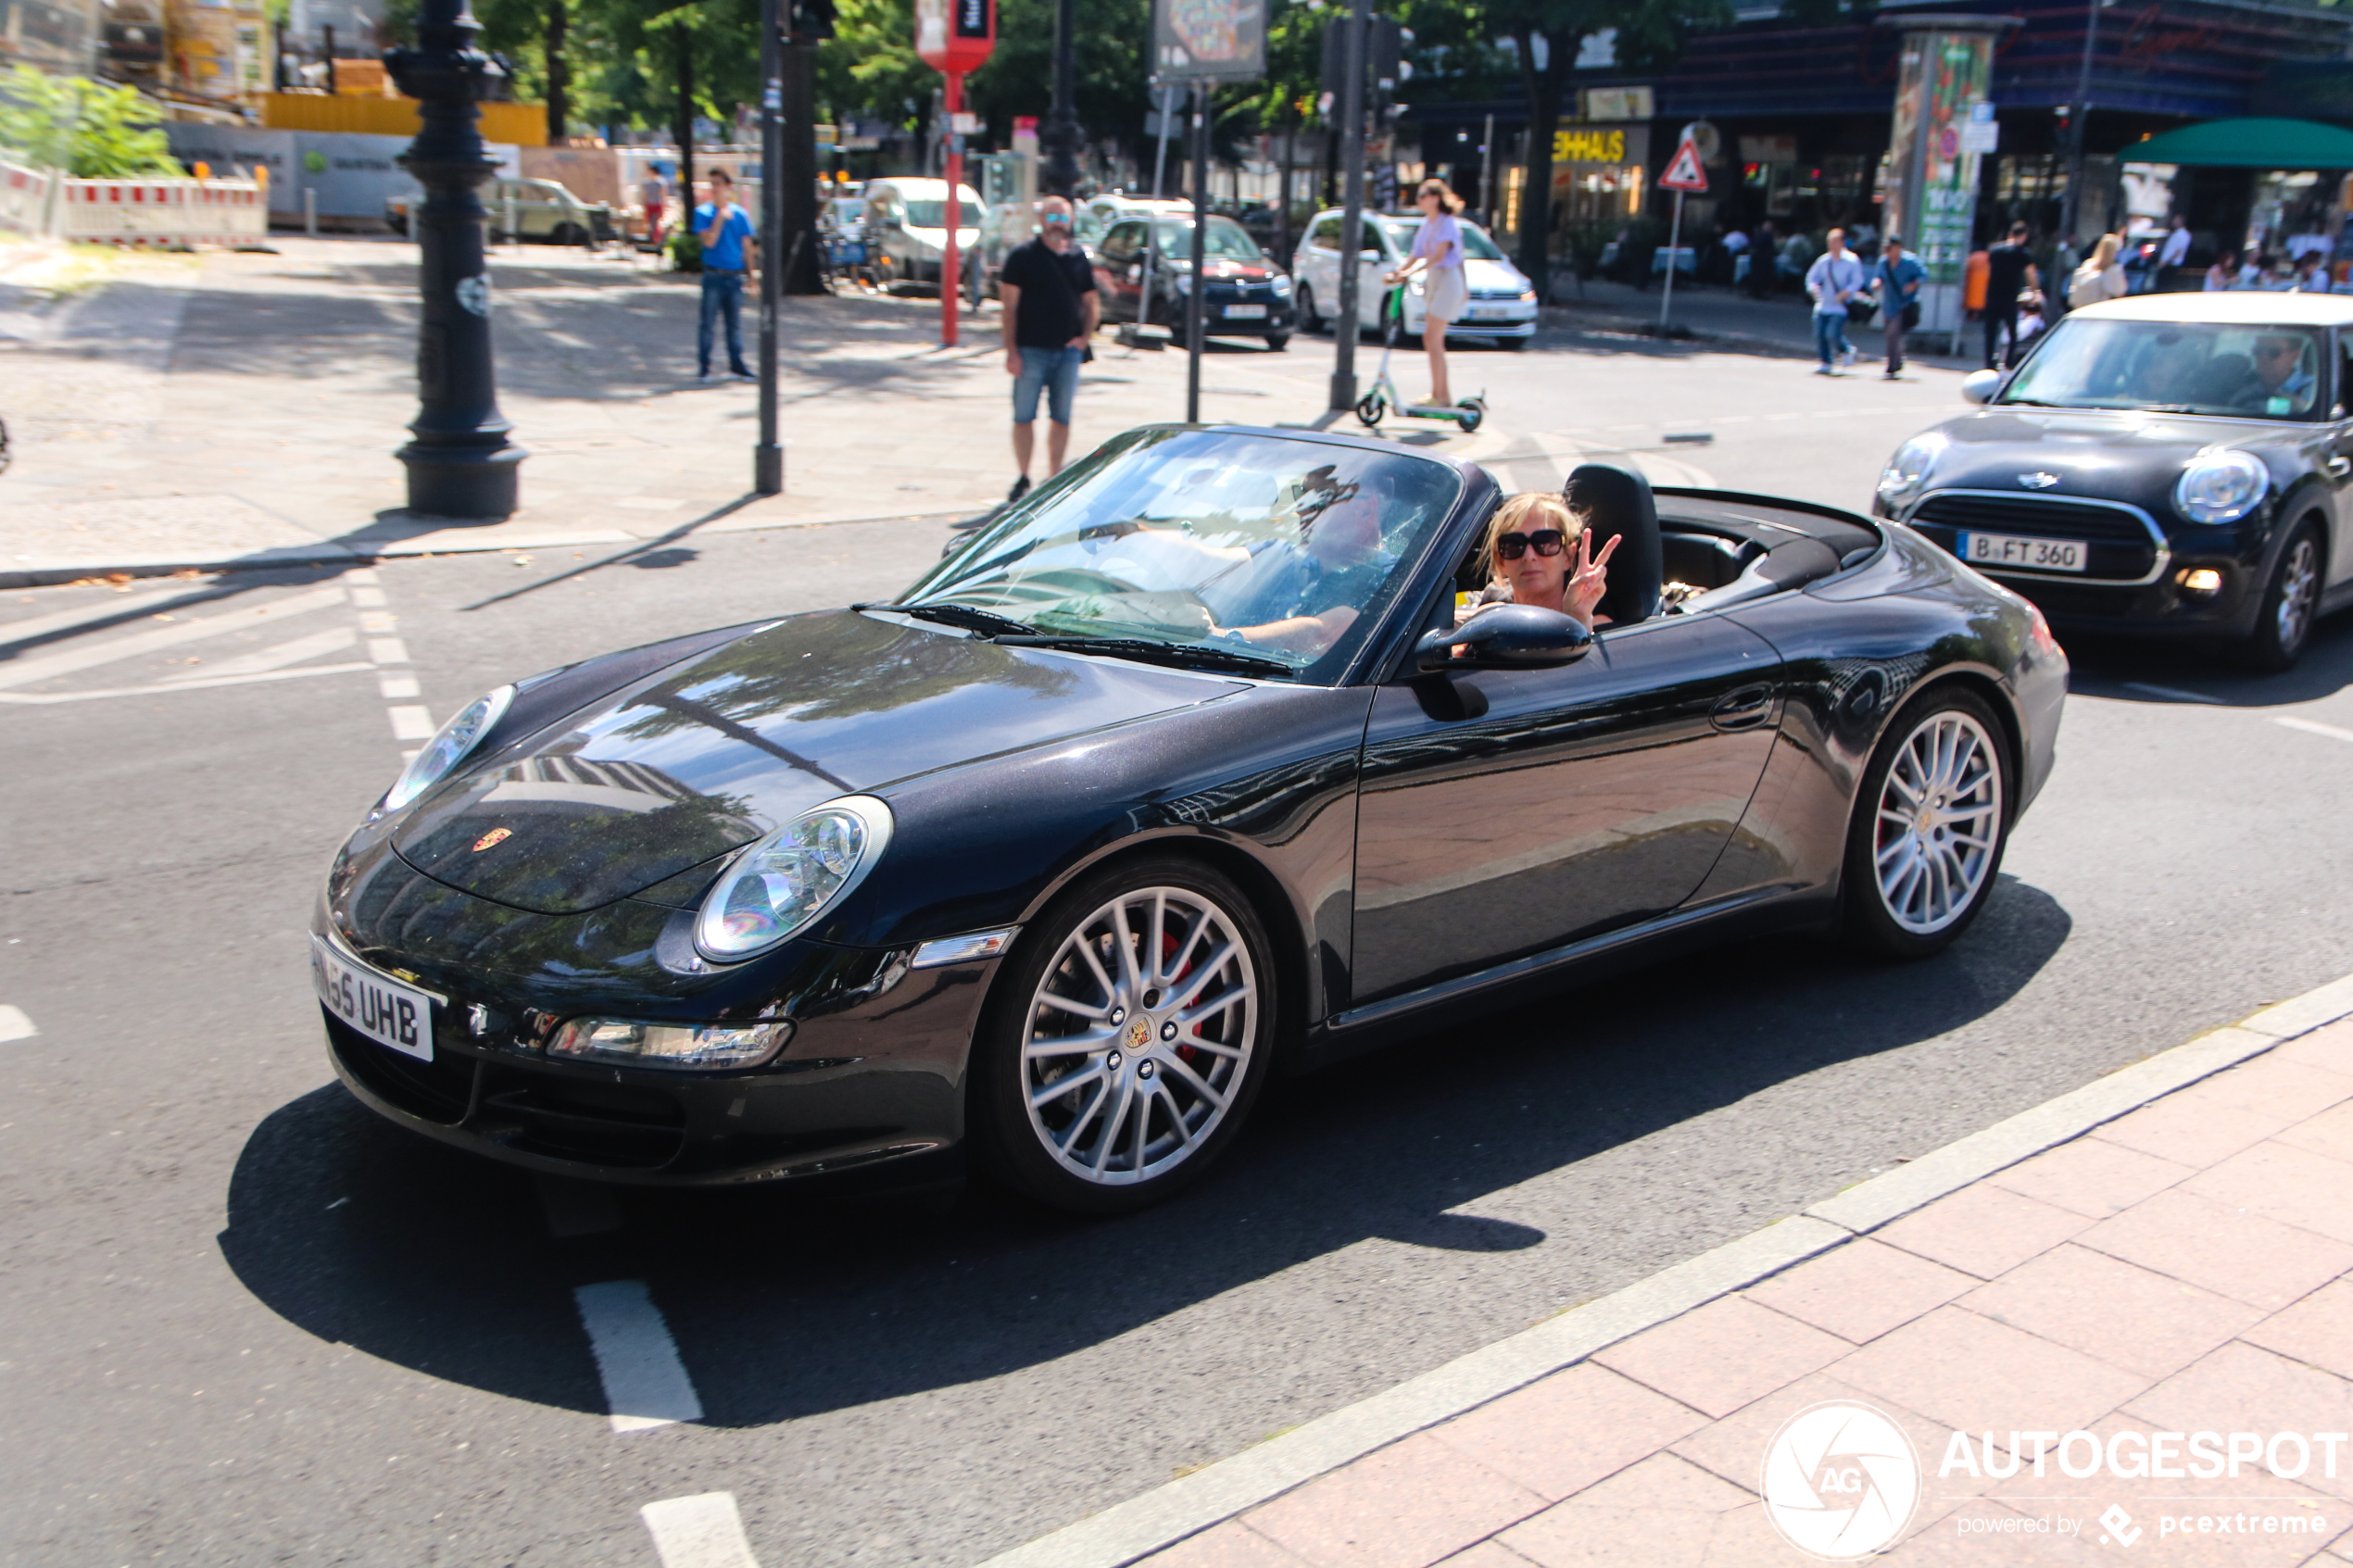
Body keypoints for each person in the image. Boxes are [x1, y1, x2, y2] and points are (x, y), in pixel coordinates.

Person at [998, 194, 1100, 503]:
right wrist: (1011, 350)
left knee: (1062, 417)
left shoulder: (1078, 257)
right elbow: (1008, 308)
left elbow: (1091, 301)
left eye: (1062, 217)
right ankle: (1024, 475)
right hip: (1030, 350)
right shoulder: (1022, 256)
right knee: (1024, 415)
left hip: (1067, 352)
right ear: (1041, 220)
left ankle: (1054, 475)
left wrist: (1084, 337)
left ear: (1070, 221)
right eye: (1051, 217)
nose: (1057, 224)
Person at [1456, 492, 1618, 635]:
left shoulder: (1596, 621)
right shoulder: (1493, 608)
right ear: (1501, 560)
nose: (1528, 556)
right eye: (1513, 545)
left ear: (1568, 556)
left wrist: (1577, 620)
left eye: (1545, 542)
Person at [1387, 179, 1468, 408]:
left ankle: (1441, 397)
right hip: (1434, 280)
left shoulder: (1447, 223)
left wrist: (1410, 271)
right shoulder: (1427, 224)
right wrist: (1398, 271)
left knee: (1433, 337)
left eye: (1422, 195)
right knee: (1432, 339)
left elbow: (1438, 256)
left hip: (1447, 280)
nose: (1419, 200)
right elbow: (1415, 253)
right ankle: (1440, 395)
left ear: (1435, 198)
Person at [692, 169, 757, 383]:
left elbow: (747, 247)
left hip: (734, 276)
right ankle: (704, 367)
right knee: (708, 324)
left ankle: (737, 365)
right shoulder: (703, 212)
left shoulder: (740, 214)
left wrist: (752, 277)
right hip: (713, 276)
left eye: (718, 184)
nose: (715, 188)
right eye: (712, 184)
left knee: (734, 324)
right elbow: (708, 242)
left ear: (729, 187)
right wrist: (719, 218)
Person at [1805, 227, 1866, 375]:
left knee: (1832, 333)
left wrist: (1847, 292)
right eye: (1829, 242)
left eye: (1834, 241)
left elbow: (1858, 281)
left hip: (1840, 306)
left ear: (1843, 242)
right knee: (1819, 333)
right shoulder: (1824, 260)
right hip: (1823, 303)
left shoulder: (1851, 260)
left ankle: (1846, 350)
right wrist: (1813, 289)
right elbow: (1812, 278)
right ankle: (1826, 362)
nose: (1831, 245)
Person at [1983, 222, 2037, 369]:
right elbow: (2031, 274)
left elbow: (1988, 269)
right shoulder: (2023, 253)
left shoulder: (1995, 250)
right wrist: (2034, 290)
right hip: (2010, 297)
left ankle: (1989, 362)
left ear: (2010, 233)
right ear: (2024, 236)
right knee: (2013, 332)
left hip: (1993, 295)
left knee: (1991, 332)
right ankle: (2008, 361)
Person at [1873, 232, 1926, 381]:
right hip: (1889, 304)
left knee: (1893, 332)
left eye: (1892, 248)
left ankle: (1892, 364)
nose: (1889, 252)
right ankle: (1897, 360)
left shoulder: (1910, 261)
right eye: (1887, 248)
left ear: (1899, 248)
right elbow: (1879, 276)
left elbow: (1923, 274)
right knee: (1890, 335)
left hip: (1904, 304)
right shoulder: (1883, 262)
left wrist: (1913, 285)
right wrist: (1876, 283)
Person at [2068, 233, 2129, 309]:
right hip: (2100, 309)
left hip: (2082, 309)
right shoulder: (2114, 269)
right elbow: (2120, 292)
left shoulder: (2088, 264)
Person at [639, 163, 670, 250]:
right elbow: (644, 195)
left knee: (657, 223)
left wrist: (664, 206)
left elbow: (663, 195)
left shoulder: (660, 182)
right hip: (649, 204)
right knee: (649, 223)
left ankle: (658, 241)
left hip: (658, 204)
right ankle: (651, 239)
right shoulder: (646, 183)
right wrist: (643, 205)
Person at [2157, 215, 2192, 290]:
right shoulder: (2176, 234)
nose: (2173, 222)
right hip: (2168, 263)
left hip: (2170, 264)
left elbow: (2178, 251)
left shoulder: (2182, 235)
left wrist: (2165, 262)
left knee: (2164, 286)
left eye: (2175, 220)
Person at [1749, 220, 1778, 297]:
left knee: (1756, 275)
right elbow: (1771, 248)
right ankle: (1758, 292)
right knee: (1761, 276)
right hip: (1763, 258)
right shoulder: (1767, 235)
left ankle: (1755, 291)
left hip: (1756, 257)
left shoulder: (1757, 234)